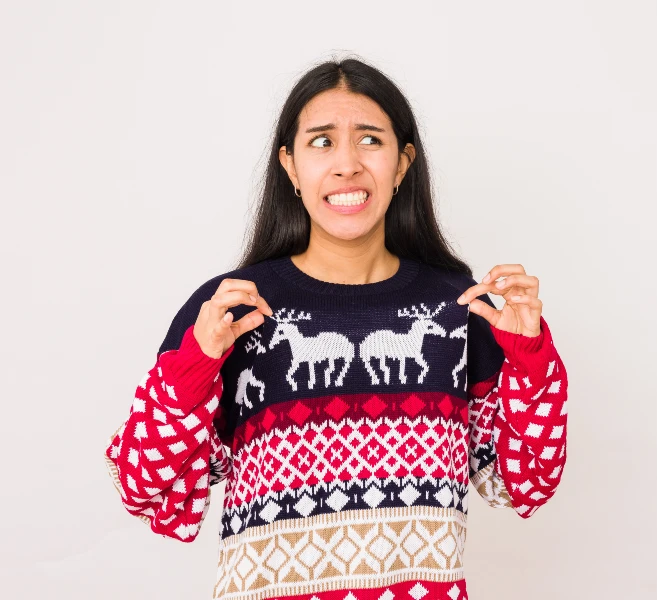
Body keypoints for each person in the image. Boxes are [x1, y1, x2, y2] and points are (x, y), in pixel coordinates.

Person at [103, 56, 570, 600]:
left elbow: (525, 486)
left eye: (370, 140)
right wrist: (193, 367)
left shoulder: (461, 306)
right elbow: (145, 491)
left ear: (402, 164)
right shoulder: (231, 311)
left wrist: (530, 357)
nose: (347, 165)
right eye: (321, 142)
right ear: (290, 165)